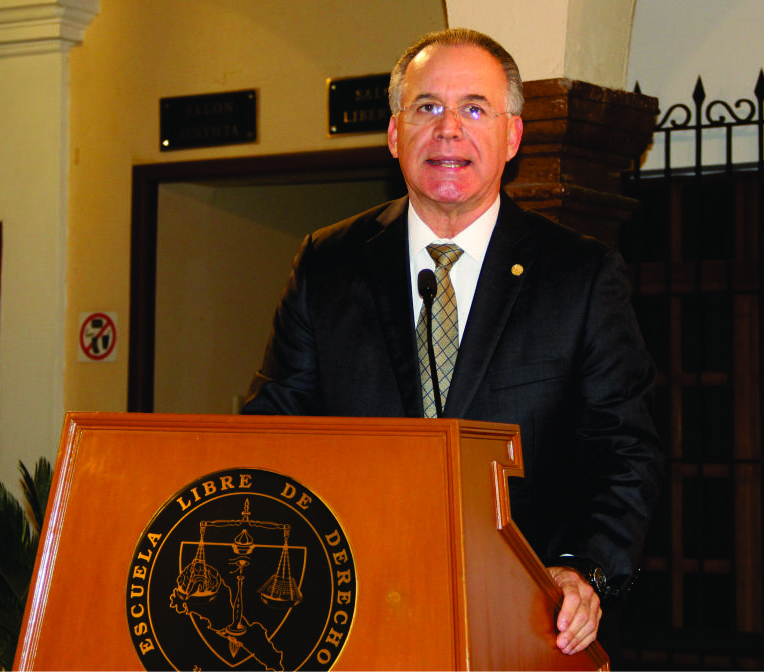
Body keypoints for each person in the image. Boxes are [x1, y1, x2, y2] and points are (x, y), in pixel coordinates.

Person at [243, 27, 663, 659]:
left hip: (523, 625)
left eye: (474, 108)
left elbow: (624, 448)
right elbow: (273, 433)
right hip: (359, 619)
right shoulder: (326, 264)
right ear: (395, 134)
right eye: (427, 107)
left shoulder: (578, 275)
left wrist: (583, 569)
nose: (448, 130)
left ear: (513, 137)